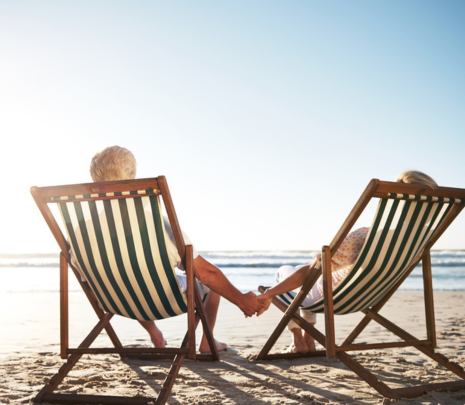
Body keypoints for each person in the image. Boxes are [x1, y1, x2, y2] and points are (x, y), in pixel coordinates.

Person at [86, 146, 262, 352]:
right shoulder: (157, 225)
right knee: (209, 284)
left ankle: (154, 333)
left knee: (125, 282)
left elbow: (86, 279)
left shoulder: (81, 232)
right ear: (132, 179)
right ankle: (207, 341)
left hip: (116, 301)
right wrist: (241, 300)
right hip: (163, 300)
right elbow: (205, 274)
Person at [256, 171, 438, 353]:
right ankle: (309, 340)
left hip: (331, 297)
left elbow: (310, 273)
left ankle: (298, 341)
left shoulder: (367, 236)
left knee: (285, 272)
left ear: (396, 203)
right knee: (304, 281)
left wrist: (268, 294)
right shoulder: (422, 241)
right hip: (367, 297)